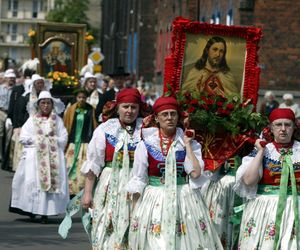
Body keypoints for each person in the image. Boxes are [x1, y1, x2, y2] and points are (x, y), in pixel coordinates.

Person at [126, 96, 223, 249]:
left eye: (173, 114)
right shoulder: (146, 144)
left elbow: (196, 174)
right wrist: (134, 211)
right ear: (157, 118)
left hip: (184, 197)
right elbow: (139, 179)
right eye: (165, 114)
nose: (169, 118)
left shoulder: (188, 143)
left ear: (178, 117)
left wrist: (187, 145)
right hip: (156, 197)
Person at [81, 88, 144, 249]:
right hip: (110, 184)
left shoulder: (146, 130)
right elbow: (93, 164)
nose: (129, 111)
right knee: (107, 224)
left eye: (133, 107)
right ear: (117, 108)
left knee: (135, 225)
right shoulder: (105, 129)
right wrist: (88, 193)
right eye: (125, 107)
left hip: (137, 184)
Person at [233, 108, 300, 249]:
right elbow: (248, 180)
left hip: (296, 207)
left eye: (287, 125)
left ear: (294, 127)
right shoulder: (265, 149)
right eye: (278, 125)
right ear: (271, 128)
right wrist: (260, 152)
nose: (283, 129)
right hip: (266, 209)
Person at [10, 91, 69, 224]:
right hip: (36, 158)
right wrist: (39, 140)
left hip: (52, 158)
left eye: (48, 103)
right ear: (38, 105)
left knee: (51, 183)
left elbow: (64, 137)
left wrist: (52, 140)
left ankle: (46, 213)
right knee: (35, 182)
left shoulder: (57, 121)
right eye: (43, 103)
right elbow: (23, 138)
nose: (46, 106)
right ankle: (33, 209)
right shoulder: (32, 120)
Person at [63, 88, 98, 196]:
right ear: (76, 98)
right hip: (73, 143)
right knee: (70, 164)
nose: (81, 99)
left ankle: (82, 190)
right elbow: (67, 125)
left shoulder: (91, 109)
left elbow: (94, 125)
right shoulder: (71, 110)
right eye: (79, 97)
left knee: (83, 166)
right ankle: (69, 190)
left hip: (85, 143)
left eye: (83, 97)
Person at [0, 70, 16, 168]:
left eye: (13, 79)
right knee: (0, 133)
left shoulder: (16, 90)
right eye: (10, 78)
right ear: (5, 78)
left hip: (11, 114)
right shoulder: (0, 88)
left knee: (10, 135)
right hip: (1, 112)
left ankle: (7, 155)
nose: (11, 80)